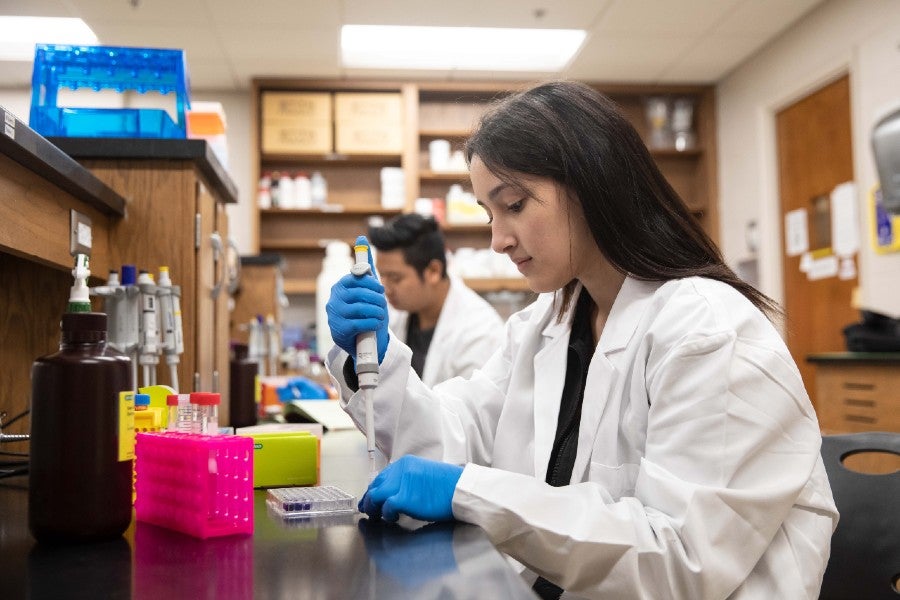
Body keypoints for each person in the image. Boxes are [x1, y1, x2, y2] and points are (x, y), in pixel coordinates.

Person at [325, 81, 838, 599]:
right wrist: (376, 365)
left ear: (593, 186)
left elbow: (678, 560)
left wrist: (471, 492)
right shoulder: (547, 324)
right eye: (489, 214)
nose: (498, 239)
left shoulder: (706, 329)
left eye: (515, 205)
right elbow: (453, 439)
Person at [368, 213, 504, 385]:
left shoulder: (480, 332)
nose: (385, 288)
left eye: (395, 278)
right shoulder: (397, 313)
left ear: (433, 271)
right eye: (382, 276)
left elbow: (471, 410)